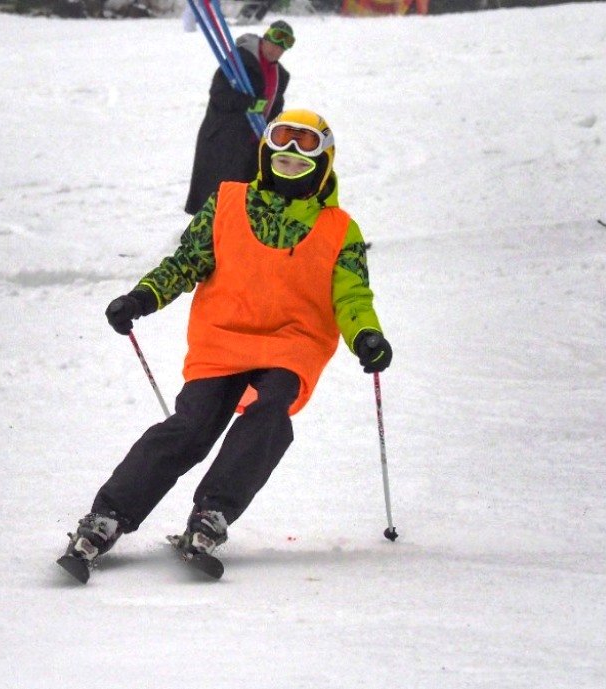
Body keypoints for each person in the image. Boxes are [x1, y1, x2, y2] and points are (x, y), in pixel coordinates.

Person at [58, 109, 393, 582]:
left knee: (270, 411)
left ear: (322, 166)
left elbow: (352, 296)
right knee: (191, 426)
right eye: (282, 153)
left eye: (303, 157)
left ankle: (212, 512)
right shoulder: (227, 203)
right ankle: (107, 516)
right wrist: (142, 297)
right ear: (265, 156)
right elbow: (186, 262)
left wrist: (366, 336)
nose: (290, 161)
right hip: (223, 339)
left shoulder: (340, 229)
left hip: (292, 343)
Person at [184, 20, 295, 215]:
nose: (276, 50)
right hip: (224, 140)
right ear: (265, 38)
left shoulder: (281, 75)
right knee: (217, 200)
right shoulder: (239, 61)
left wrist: (277, 133)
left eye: (282, 48)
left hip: (254, 145)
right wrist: (249, 103)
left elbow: (275, 108)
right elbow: (219, 94)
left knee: (244, 202)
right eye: (274, 44)